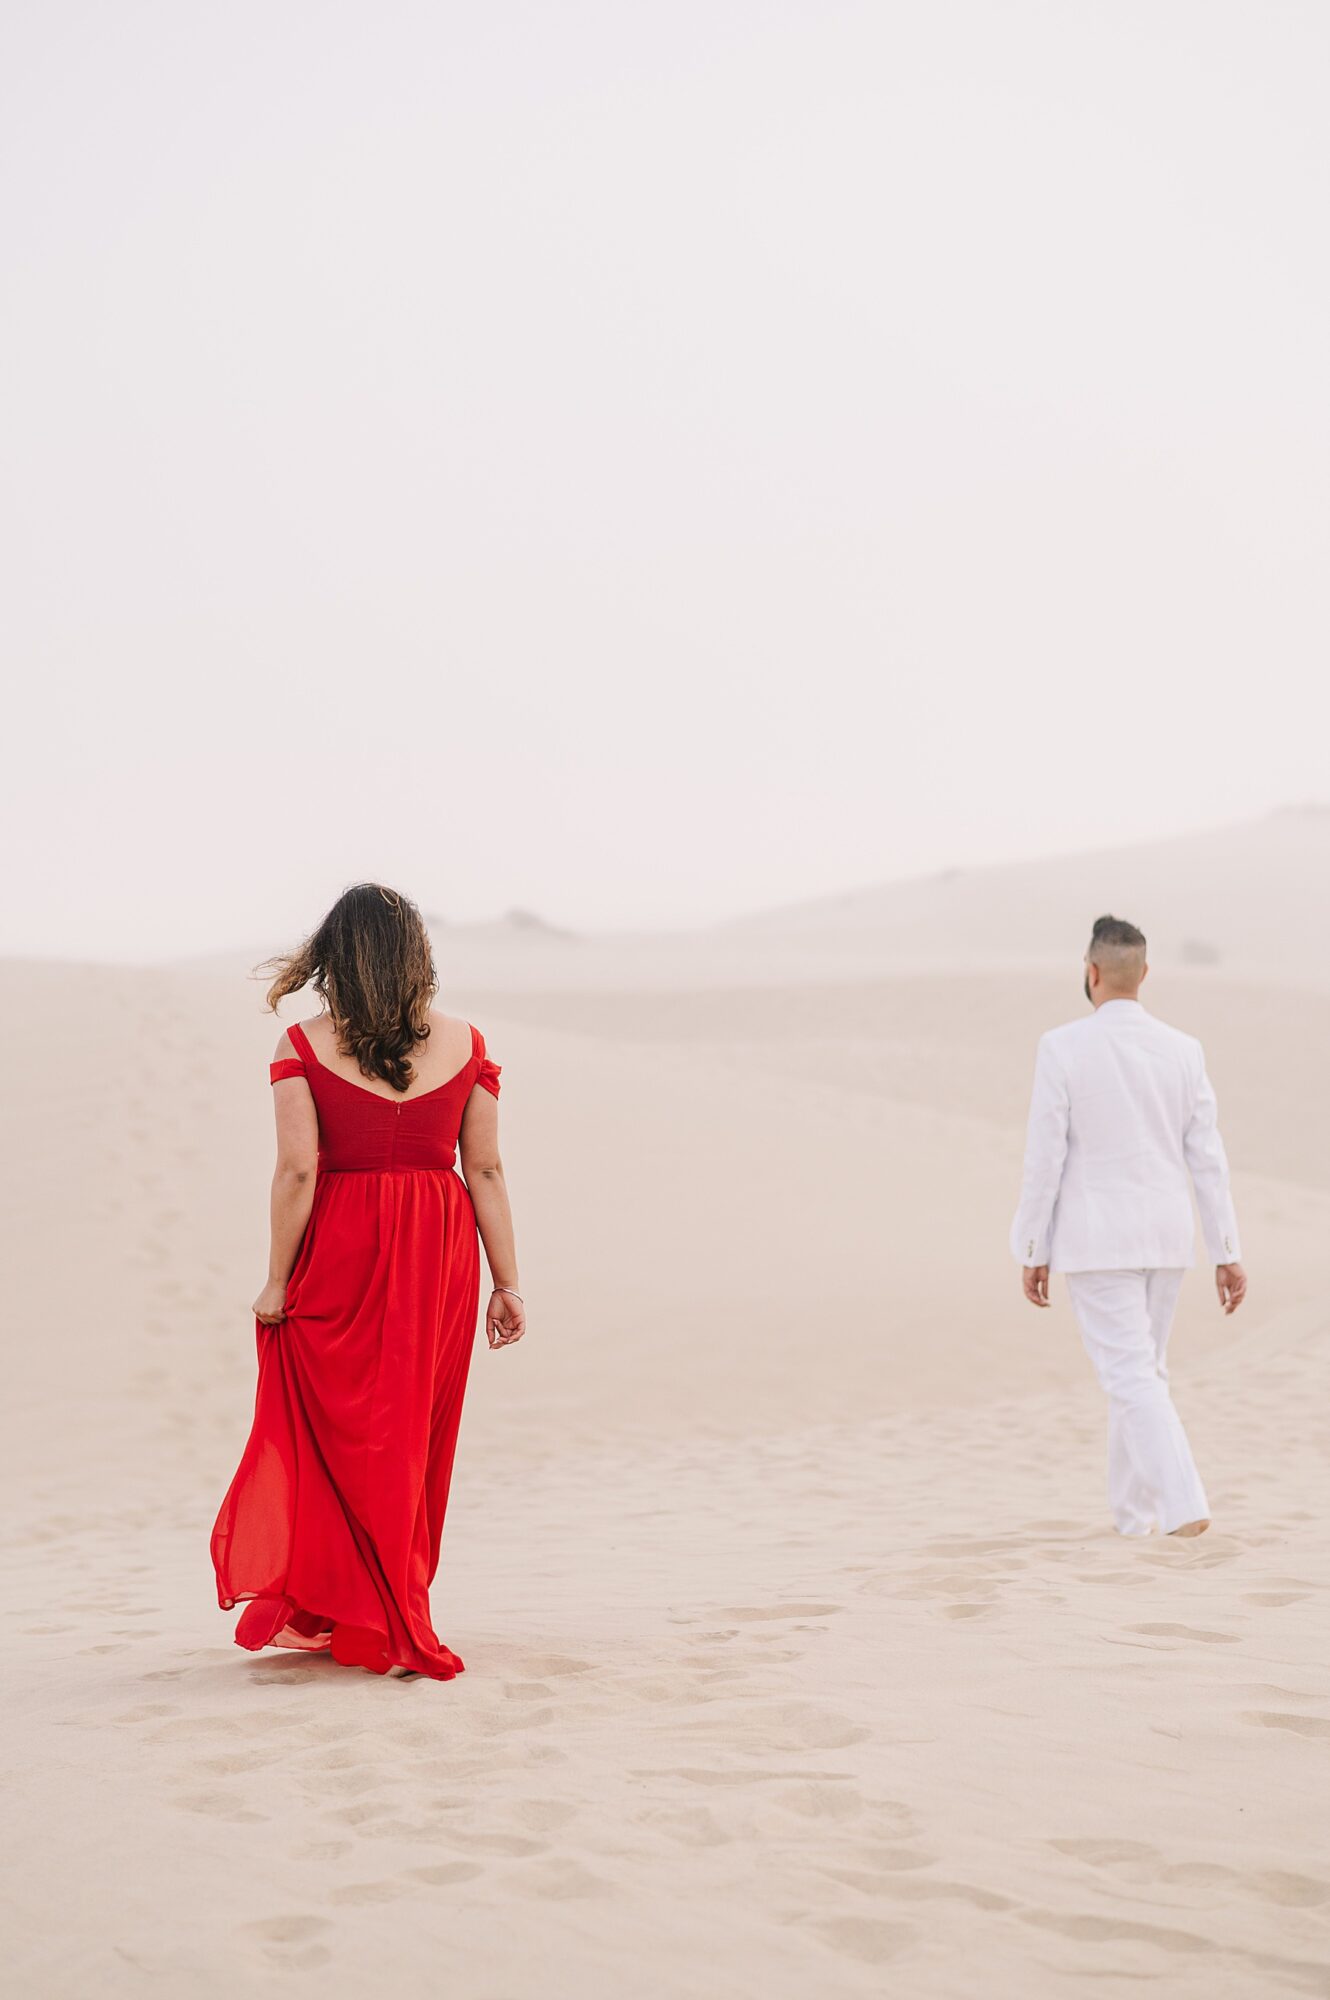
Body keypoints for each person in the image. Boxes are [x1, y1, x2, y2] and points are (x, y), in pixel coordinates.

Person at [210, 883, 524, 1679]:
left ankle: (371, 1609)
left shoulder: (301, 1046)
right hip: (440, 1248)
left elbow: (296, 1170)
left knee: (342, 1431)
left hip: (343, 1246)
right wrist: (507, 1282)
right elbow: (482, 1167)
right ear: (415, 955)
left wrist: (275, 1280)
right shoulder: (467, 1042)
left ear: (335, 959)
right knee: (414, 1437)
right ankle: (395, 1607)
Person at [1010, 914, 1246, 1539]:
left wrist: (1032, 1246)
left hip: (1096, 1240)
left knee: (1132, 1375)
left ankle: (1183, 1507)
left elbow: (1045, 1156)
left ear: (1090, 973)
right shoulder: (1184, 1049)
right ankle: (1135, 1519)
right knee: (1142, 1374)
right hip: (1166, 1239)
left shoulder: (1061, 1046)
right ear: (1143, 974)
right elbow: (1209, 1158)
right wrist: (1226, 1249)